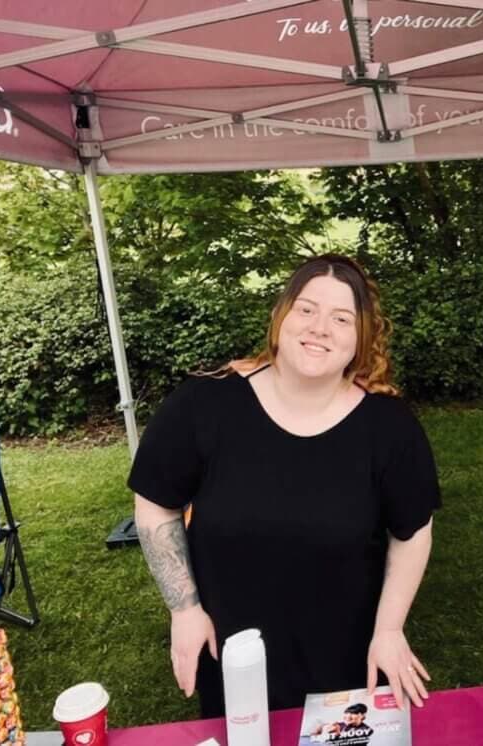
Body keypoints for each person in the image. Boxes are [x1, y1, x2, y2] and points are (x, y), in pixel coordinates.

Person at [129, 254, 441, 717]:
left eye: (341, 318)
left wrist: (390, 630)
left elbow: (412, 531)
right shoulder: (205, 403)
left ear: (361, 339)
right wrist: (185, 609)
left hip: (346, 661)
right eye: (307, 309)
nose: (320, 328)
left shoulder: (389, 429)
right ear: (281, 317)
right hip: (232, 656)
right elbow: (156, 506)